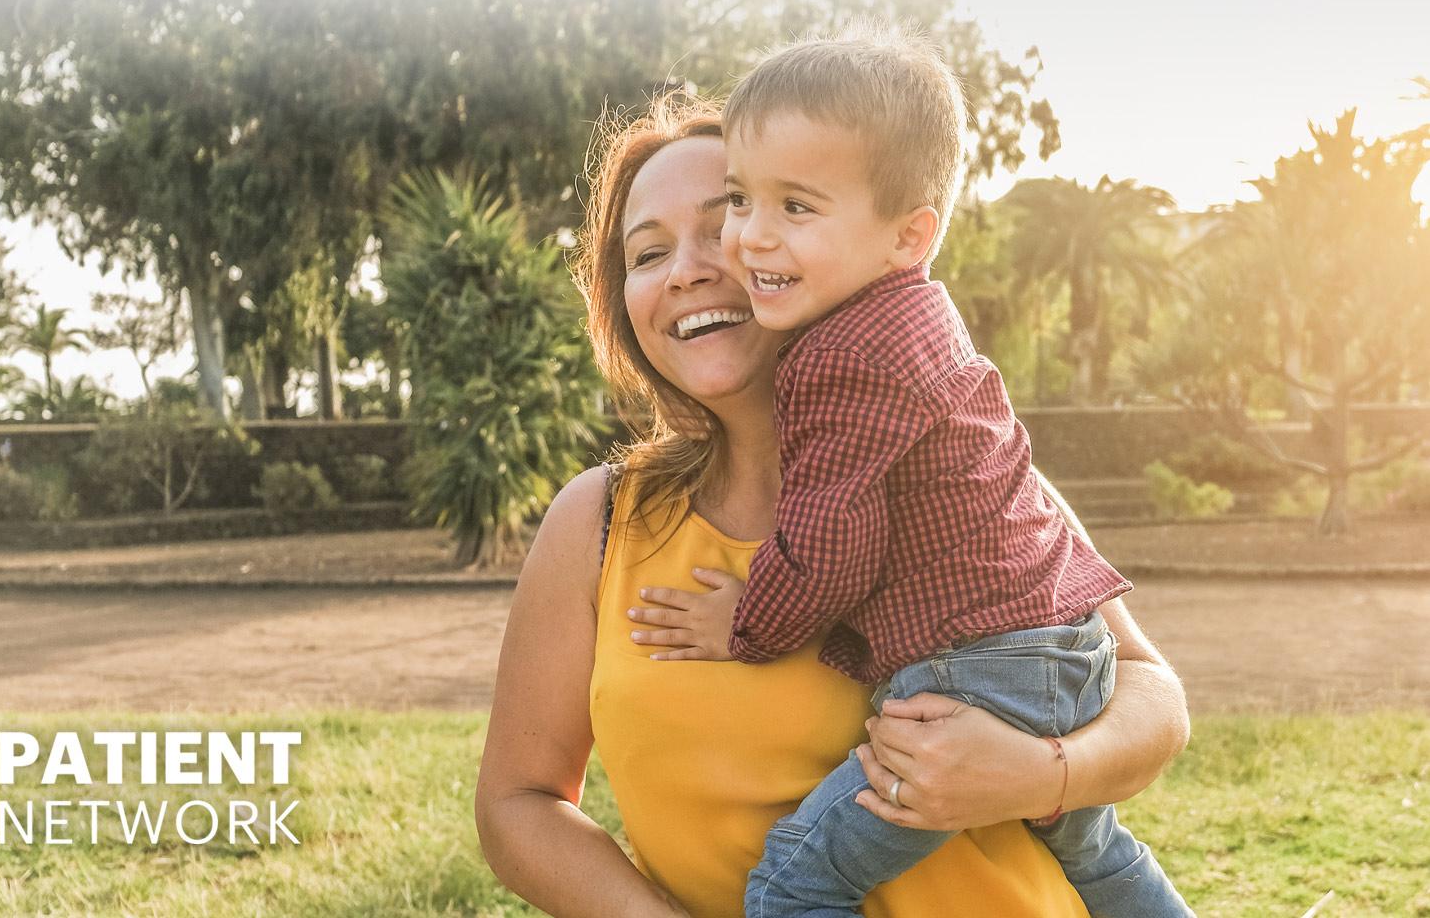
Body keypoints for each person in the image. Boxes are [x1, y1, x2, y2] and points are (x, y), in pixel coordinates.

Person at [475, 92, 1191, 918]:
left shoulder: (963, 472)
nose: (688, 269)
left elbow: (1152, 696)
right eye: (647, 253)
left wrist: (1043, 775)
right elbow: (518, 805)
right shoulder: (599, 524)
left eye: (727, 222)